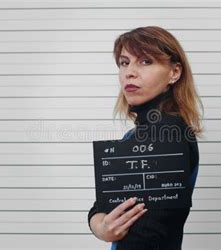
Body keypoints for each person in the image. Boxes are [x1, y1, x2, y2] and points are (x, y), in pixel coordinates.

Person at [88, 26, 203, 250]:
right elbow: (102, 206)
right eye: (124, 62)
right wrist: (101, 227)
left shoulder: (167, 133)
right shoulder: (137, 135)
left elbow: (146, 235)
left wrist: (102, 225)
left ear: (174, 73)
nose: (129, 72)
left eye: (145, 61)